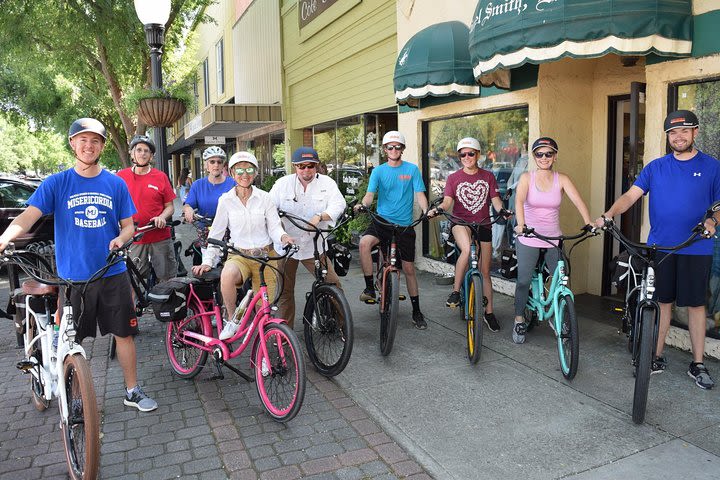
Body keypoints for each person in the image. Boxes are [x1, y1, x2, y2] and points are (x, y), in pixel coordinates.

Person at [0, 118, 157, 412]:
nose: (89, 145)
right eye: (83, 140)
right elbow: (27, 217)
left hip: (112, 273)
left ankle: (132, 390)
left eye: (95, 141)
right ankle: (74, 398)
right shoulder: (57, 183)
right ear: (73, 143)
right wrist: (3, 238)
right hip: (73, 279)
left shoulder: (115, 183)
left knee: (124, 333)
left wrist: (121, 239)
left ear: (102, 146)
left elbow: (128, 226)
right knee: (72, 340)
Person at [596, 110, 720, 390]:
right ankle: (656, 356)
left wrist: (712, 221)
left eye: (685, 131)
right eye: (673, 133)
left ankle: (698, 363)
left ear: (695, 133)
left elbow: (719, 204)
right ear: (667, 137)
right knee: (662, 303)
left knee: (695, 306)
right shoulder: (655, 167)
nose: (679, 137)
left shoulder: (712, 167)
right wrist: (608, 215)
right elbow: (631, 195)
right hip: (660, 247)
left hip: (696, 247)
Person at [191, 151, 293, 339]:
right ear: (231, 172)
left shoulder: (265, 198)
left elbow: (274, 227)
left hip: (265, 257)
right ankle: (231, 319)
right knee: (227, 275)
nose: (244, 174)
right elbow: (216, 234)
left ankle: (264, 352)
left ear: (255, 172)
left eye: (249, 169)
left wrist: (284, 237)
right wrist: (208, 261)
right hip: (239, 256)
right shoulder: (226, 200)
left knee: (265, 312)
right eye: (239, 170)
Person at [513, 137, 593, 344]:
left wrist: (589, 222)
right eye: (539, 154)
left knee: (561, 279)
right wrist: (521, 226)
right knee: (523, 280)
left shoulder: (562, 179)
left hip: (553, 238)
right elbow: (519, 201)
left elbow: (578, 200)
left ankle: (557, 315)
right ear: (534, 157)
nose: (544, 157)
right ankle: (519, 318)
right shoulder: (526, 178)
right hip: (529, 236)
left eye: (549, 153)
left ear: (555, 156)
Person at [430, 137, 507, 332]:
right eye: (462, 154)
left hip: (483, 224)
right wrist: (439, 209)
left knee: (485, 272)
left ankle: (489, 313)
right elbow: (448, 202)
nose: (466, 157)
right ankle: (456, 291)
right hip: (460, 223)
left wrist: (502, 210)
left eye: (470, 153)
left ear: (478, 155)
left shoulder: (488, 176)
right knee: (466, 250)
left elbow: (495, 200)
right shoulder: (453, 178)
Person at [355, 131, 430, 329]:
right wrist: (363, 204)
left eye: (398, 147)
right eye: (390, 147)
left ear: (402, 149)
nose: (394, 150)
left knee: (408, 269)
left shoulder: (412, 170)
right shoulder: (378, 171)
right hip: (382, 222)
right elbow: (370, 195)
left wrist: (426, 209)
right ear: (385, 150)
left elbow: (420, 194)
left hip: (404, 225)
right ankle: (370, 287)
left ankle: (416, 311)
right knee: (364, 243)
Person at [269, 147, 346, 328]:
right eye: (301, 166)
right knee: (284, 291)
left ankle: (343, 324)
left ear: (317, 166)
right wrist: (280, 233)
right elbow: (269, 209)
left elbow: (339, 204)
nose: (306, 171)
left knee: (333, 284)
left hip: (315, 246)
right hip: (287, 246)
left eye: (310, 166)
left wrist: (321, 216)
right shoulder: (282, 184)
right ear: (295, 167)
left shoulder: (327, 183)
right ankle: (284, 333)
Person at [117, 135, 177, 282]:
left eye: (146, 151)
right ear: (132, 153)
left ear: (151, 155)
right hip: (134, 238)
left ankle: (166, 305)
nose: (142, 153)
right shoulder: (121, 177)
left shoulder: (160, 176)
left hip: (160, 236)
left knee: (167, 279)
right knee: (133, 280)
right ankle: (137, 306)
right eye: (139, 150)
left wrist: (162, 217)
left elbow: (170, 207)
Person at [182, 146, 236, 265]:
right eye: (212, 162)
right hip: (206, 230)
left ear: (223, 165)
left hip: (229, 230)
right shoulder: (198, 185)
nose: (216, 165)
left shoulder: (232, 183)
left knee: (232, 264)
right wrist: (188, 210)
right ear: (206, 165)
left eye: (219, 162)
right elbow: (188, 204)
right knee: (208, 264)